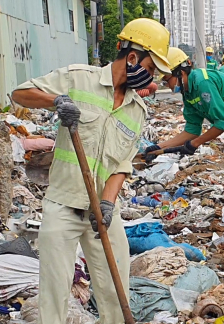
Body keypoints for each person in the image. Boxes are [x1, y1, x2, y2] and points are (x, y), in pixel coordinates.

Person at [11, 18, 172, 324]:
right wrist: (56, 101)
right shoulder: (78, 79)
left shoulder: (138, 110)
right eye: (151, 69)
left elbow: (123, 162)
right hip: (63, 205)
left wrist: (109, 204)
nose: (152, 79)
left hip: (103, 211)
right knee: (55, 292)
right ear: (134, 57)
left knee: (115, 290)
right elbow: (20, 93)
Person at [145, 47, 224, 251]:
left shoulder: (202, 81)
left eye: (168, 79)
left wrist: (196, 144)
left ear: (181, 72)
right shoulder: (188, 93)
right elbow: (191, 130)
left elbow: (222, 122)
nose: (168, 85)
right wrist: (158, 147)